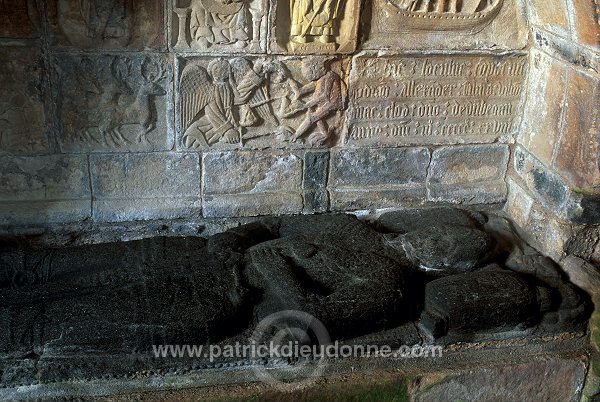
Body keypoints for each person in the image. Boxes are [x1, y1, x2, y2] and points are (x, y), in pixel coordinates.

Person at [291, 59, 344, 146]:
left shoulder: (330, 76)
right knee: (316, 116)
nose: (310, 75)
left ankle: (295, 135)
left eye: (312, 71)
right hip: (325, 103)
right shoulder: (321, 78)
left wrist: (306, 105)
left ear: (319, 68)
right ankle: (325, 134)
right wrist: (297, 90)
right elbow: (310, 87)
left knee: (311, 118)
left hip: (331, 103)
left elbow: (325, 96)